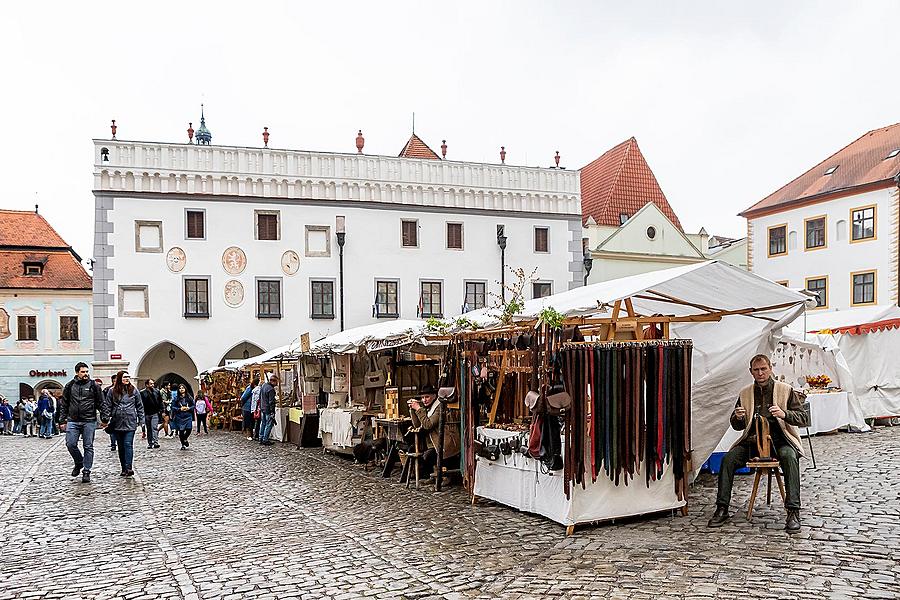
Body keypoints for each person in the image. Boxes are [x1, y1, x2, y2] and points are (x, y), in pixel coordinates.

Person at [708, 354, 808, 534]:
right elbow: (737, 426)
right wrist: (738, 418)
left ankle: (793, 511)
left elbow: (803, 418)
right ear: (751, 372)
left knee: (790, 457)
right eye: (756, 370)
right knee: (728, 460)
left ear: (770, 368)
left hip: (780, 441)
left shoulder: (785, 389)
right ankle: (722, 508)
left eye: (764, 369)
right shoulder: (745, 393)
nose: (760, 373)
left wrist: (784, 414)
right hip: (752, 443)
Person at [59, 362, 105, 483]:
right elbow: (64, 404)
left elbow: (101, 402)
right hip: (73, 420)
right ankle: (79, 462)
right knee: (70, 444)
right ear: (77, 373)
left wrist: (105, 418)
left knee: (88, 446)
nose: (85, 374)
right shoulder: (69, 386)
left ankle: (86, 471)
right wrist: (62, 420)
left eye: (86, 372)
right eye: (83, 372)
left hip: (89, 420)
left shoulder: (94, 385)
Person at [407, 385, 461, 482]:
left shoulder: (439, 407)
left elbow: (428, 424)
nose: (424, 400)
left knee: (428, 456)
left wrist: (419, 409)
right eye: (422, 398)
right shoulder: (429, 408)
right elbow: (419, 425)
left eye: (427, 397)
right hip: (434, 444)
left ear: (434, 396)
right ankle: (433, 475)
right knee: (413, 449)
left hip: (446, 444)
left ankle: (441, 476)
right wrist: (413, 410)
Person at [102, 371, 144, 477]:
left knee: (128, 444)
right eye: (125, 377)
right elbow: (107, 405)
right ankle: (123, 468)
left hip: (130, 421)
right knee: (121, 447)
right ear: (120, 378)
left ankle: (129, 467)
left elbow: (139, 406)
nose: (127, 379)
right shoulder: (112, 391)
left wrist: (141, 420)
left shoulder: (134, 391)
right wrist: (105, 419)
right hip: (117, 422)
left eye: (128, 377)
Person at [141, 379, 164, 449]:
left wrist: (162, 410)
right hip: (147, 413)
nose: (152, 385)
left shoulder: (157, 391)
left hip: (155, 412)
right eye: (151, 384)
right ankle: (150, 443)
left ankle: (155, 442)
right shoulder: (142, 393)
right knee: (149, 428)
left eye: (153, 384)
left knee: (154, 427)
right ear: (147, 385)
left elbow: (160, 401)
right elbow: (140, 403)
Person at [170, 384, 195, 450]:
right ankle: (183, 444)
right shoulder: (176, 398)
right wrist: (179, 409)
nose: (181, 389)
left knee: (189, 429)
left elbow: (193, 406)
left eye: (183, 388)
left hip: (188, 416)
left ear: (185, 389)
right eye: (180, 388)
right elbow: (173, 407)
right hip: (180, 417)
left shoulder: (189, 397)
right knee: (181, 431)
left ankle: (185, 439)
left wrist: (189, 408)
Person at [257, 374, 278, 446]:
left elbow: (260, 397)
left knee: (263, 423)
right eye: (276, 382)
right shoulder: (271, 389)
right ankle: (265, 439)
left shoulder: (264, 386)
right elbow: (271, 402)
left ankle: (261, 437)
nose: (277, 384)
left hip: (263, 408)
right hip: (268, 409)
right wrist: (272, 411)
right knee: (268, 424)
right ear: (273, 381)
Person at [240, 376, 258, 441]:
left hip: (253, 407)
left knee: (252, 421)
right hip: (247, 407)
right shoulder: (249, 388)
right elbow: (243, 397)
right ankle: (249, 435)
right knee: (248, 421)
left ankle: (252, 435)